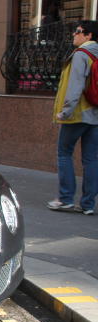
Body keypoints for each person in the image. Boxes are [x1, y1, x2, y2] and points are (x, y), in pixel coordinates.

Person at [47, 20, 98, 215]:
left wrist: (65, 111)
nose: (74, 35)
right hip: (95, 114)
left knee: (64, 153)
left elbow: (75, 87)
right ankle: (88, 204)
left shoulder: (81, 55)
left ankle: (66, 199)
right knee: (91, 159)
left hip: (76, 115)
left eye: (78, 31)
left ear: (88, 36)